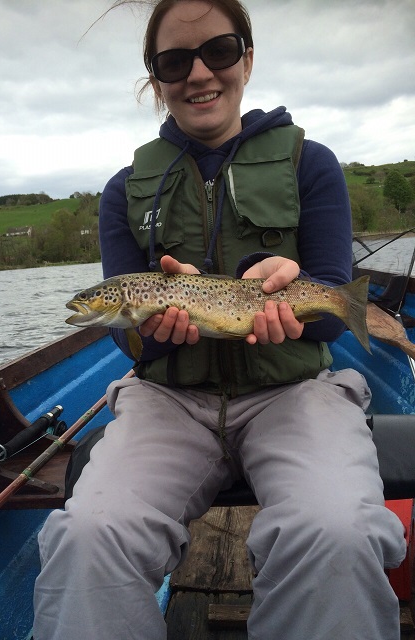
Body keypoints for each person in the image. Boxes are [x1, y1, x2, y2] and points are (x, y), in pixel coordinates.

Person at [33, 1, 406, 638]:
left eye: (220, 51)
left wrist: (294, 293)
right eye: (175, 61)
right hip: (169, 401)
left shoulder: (309, 164)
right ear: (156, 80)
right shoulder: (124, 191)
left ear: (248, 59)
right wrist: (147, 334)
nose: (199, 73)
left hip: (295, 393)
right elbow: (135, 350)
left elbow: (327, 318)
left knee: (340, 531)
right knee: (88, 534)